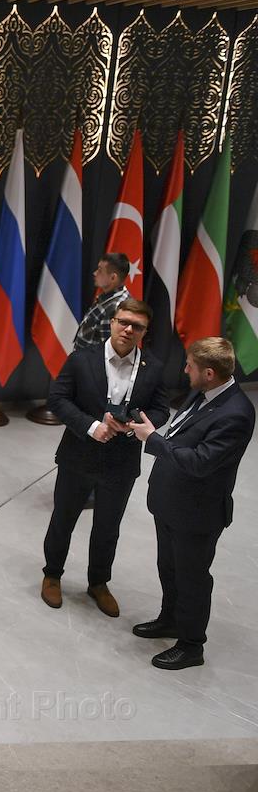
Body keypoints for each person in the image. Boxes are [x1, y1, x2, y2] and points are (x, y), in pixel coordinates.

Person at [130, 337, 255, 670]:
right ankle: (170, 619)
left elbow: (200, 462)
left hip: (197, 513)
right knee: (169, 568)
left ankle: (190, 645)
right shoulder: (202, 392)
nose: (185, 370)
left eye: (190, 366)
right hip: (169, 501)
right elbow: (181, 433)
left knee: (192, 580)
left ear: (209, 373)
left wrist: (152, 439)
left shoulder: (236, 414)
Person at [40, 298, 168, 615]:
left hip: (122, 461)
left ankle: (98, 582)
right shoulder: (82, 359)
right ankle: (52, 574)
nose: (128, 330)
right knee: (63, 519)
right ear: (112, 322)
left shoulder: (153, 368)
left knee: (108, 527)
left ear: (145, 331)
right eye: (123, 322)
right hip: (78, 455)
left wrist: (134, 427)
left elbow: (161, 409)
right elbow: (58, 398)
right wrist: (92, 426)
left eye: (137, 326)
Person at [73, 253, 132, 350]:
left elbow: (107, 349)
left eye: (100, 270)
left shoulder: (116, 308)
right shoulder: (107, 297)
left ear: (113, 278)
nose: (95, 273)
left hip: (90, 359)